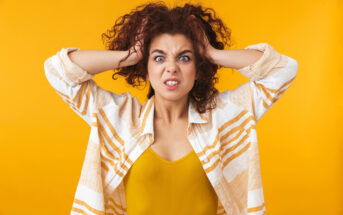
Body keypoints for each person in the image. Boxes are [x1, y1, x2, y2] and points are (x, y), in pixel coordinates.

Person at [43, 2, 298, 215]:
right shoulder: (121, 118)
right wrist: (131, 55)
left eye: (184, 57)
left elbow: (283, 71)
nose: (171, 67)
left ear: (198, 70)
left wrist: (210, 52)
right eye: (159, 57)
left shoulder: (221, 118)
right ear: (146, 69)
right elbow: (57, 71)